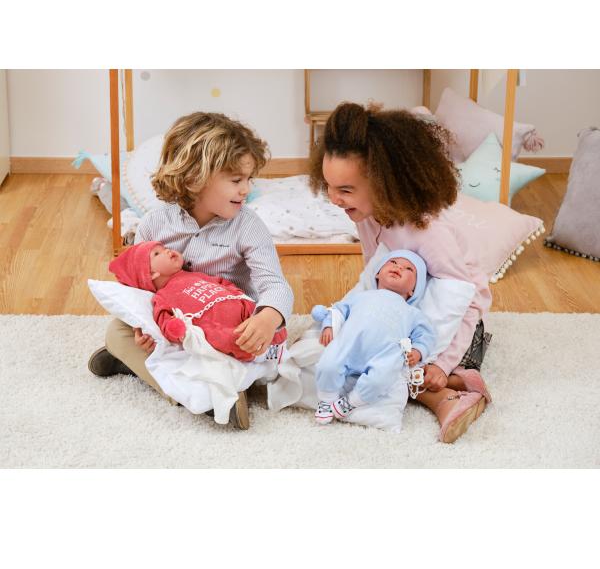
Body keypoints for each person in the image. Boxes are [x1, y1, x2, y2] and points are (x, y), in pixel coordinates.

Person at [88, 112, 294, 429]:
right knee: (118, 332)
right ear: (196, 178)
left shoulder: (248, 226)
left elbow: (275, 285)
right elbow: (139, 287)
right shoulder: (155, 223)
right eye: (236, 180)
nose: (246, 189)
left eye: (249, 179)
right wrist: (142, 325)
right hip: (175, 326)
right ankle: (204, 398)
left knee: (248, 356)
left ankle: (137, 366)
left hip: (225, 331)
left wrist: (267, 319)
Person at [309, 101, 493, 443]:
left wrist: (440, 364)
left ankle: (452, 393)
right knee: (344, 355)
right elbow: (374, 281)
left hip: (457, 322)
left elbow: (463, 302)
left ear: (383, 183)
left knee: (394, 370)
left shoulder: (429, 231)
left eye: (345, 190)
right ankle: (453, 382)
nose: (334, 198)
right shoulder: (367, 215)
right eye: (329, 186)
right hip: (404, 308)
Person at [311, 249, 435, 425]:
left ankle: (351, 402)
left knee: (381, 379)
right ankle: (326, 400)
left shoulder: (412, 313)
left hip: (384, 355)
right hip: (349, 345)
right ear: (378, 273)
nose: (399, 267)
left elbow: (426, 335)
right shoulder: (361, 297)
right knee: (328, 364)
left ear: (413, 289)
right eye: (393, 262)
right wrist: (329, 324)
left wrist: (418, 351)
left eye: (409, 269)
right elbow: (338, 309)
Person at [108, 240, 287, 362]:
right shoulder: (162, 296)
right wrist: (174, 328)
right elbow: (163, 319)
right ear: (151, 274)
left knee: (259, 316)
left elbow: (220, 282)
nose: (167, 250)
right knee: (218, 337)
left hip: (233, 302)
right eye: (157, 253)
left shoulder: (195, 275)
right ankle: (257, 356)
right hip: (213, 323)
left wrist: (236, 293)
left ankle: (274, 349)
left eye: (164, 248)